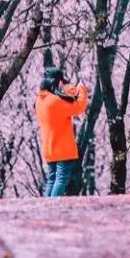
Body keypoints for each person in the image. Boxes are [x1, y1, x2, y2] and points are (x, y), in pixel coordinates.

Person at [35, 66, 88, 197]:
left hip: (49, 148)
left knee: (51, 180)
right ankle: (51, 207)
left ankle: (46, 208)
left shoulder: (40, 100)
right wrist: (81, 89)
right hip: (62, 149)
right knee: (61, 179)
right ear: (58, 82)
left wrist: (67, 90)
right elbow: (78, 107)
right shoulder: (54, 101)